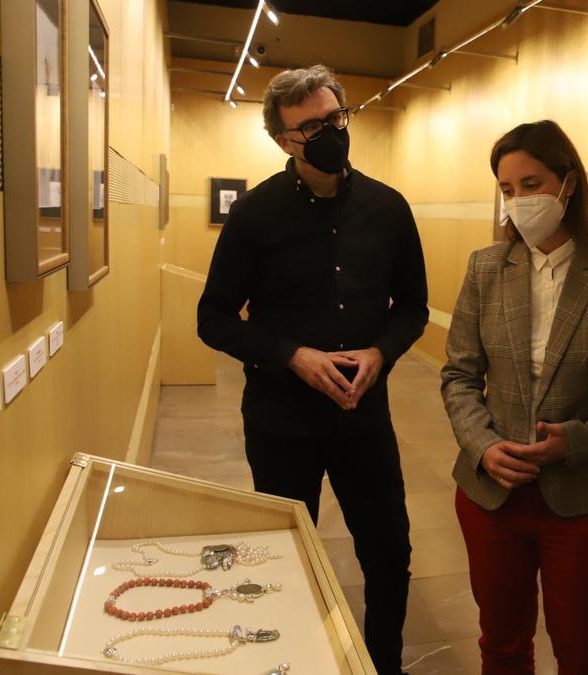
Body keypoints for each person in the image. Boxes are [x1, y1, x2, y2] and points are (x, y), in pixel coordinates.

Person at [197, 65, 427, 675]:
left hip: (363, 420)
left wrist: (382, 352)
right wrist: (291, 356)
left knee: (387, 554)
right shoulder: (254, 215)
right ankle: (291, 662)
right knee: (283, 559)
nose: (327, 134)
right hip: (280, 423)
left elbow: (414, 309)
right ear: (281, 140)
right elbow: (214, 318)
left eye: (334, 119)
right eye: (308, 128)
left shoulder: (388, 208)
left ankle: (384, 665)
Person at [441, 120, 588, 675]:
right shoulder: (486, 268)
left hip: (585, 496)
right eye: (507, 189)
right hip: (492, 494)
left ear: (568, 183)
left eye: (532, 183)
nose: (519, 200)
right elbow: (459, 375)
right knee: (502, 642)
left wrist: (579, 440)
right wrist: (482, 445)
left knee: (584, 650)